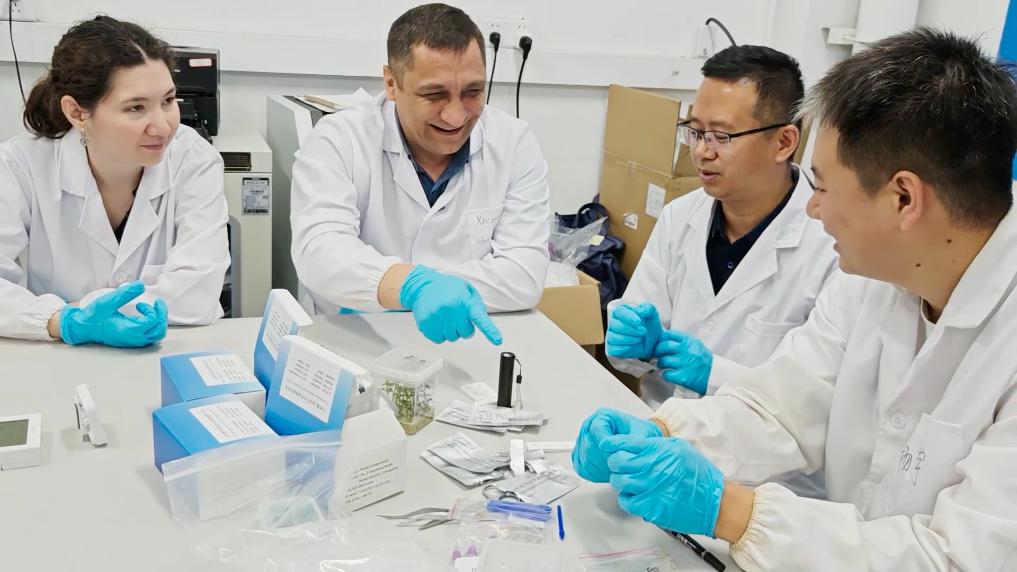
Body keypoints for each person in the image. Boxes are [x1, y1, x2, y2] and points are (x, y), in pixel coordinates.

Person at [574, 29, 1017, 570]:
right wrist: (662, 433)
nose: (812, 207)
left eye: (824, 187)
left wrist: (732, 513)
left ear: (904, 198)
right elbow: (784, 407)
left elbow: (956, 559)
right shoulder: (875, 279)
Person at [290, 3, 550, 346]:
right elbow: (319, 253)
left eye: (473, 92)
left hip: (465, 343)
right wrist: (413, 288)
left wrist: (390, 284)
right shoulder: (340, 139)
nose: (456, 116)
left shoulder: (514, 143)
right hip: (355, 340)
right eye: (434, 94)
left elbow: (524, 275)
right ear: (391, 84)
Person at [606, 45, 837, 406]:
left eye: (722, 136)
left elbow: (819, 396)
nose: (702, 151)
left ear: (784, 142)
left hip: (758, 440)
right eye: (696, 132)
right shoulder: (680, 217)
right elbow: (631, 357)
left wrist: (714, 375)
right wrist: (631, 342)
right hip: (661, 424)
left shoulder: (830, 246)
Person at [0, 16, 229, 347]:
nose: (163, 127)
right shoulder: (20, 166)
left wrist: (79, 308)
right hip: (61, 355)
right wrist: (66, 322)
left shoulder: (193, 160)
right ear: (77, 112)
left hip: (170, 348)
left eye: (168, 101)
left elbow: (199, 293)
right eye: (136, 108)